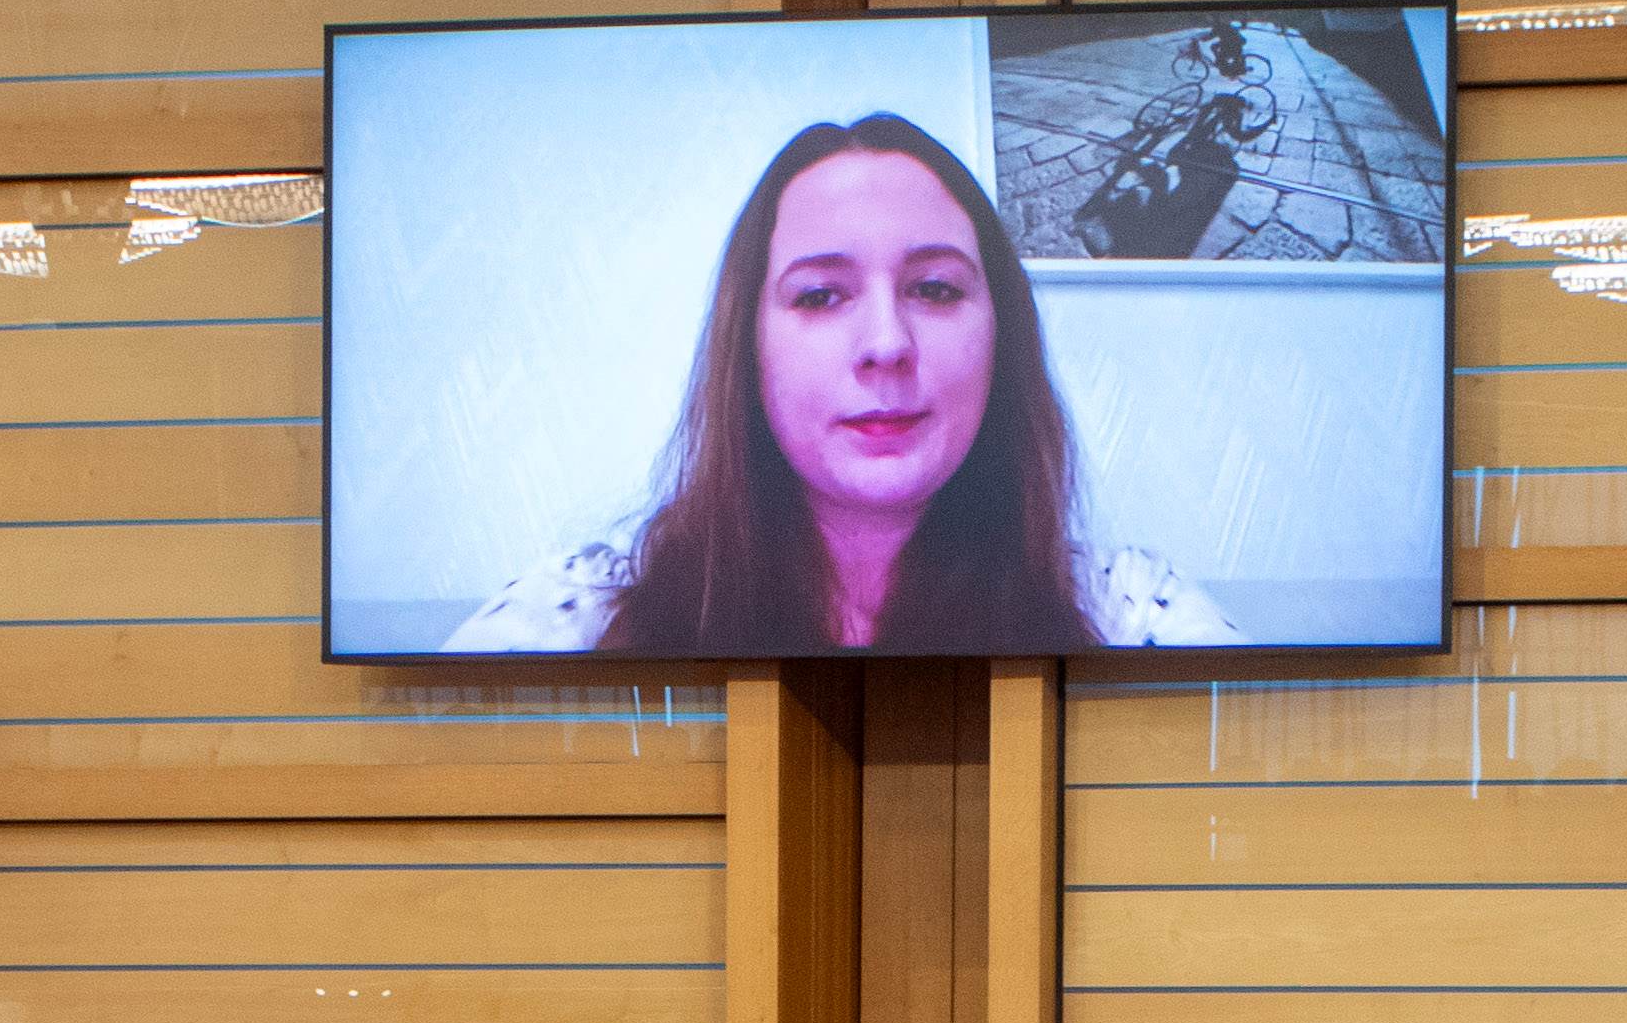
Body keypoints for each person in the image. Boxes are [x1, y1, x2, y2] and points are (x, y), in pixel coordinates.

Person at [441, 112, 1237, 657]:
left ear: (1003, 335)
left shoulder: (1128, 614)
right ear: (747, 345)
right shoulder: (576, 614)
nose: (886, 344)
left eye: (933, 289)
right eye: (820, 296)